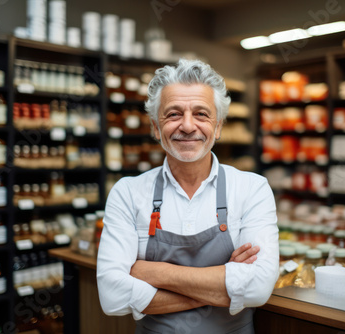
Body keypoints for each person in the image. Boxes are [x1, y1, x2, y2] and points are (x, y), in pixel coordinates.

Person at [97, 59, 279, 334]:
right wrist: (224, 283)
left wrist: (154, 273)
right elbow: (112, 298)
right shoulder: (128, 192)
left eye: (201, 114)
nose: (187, 125)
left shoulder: (252, 188)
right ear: (156, 128)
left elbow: (258, 288)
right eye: (172, 114)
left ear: (217, 127)